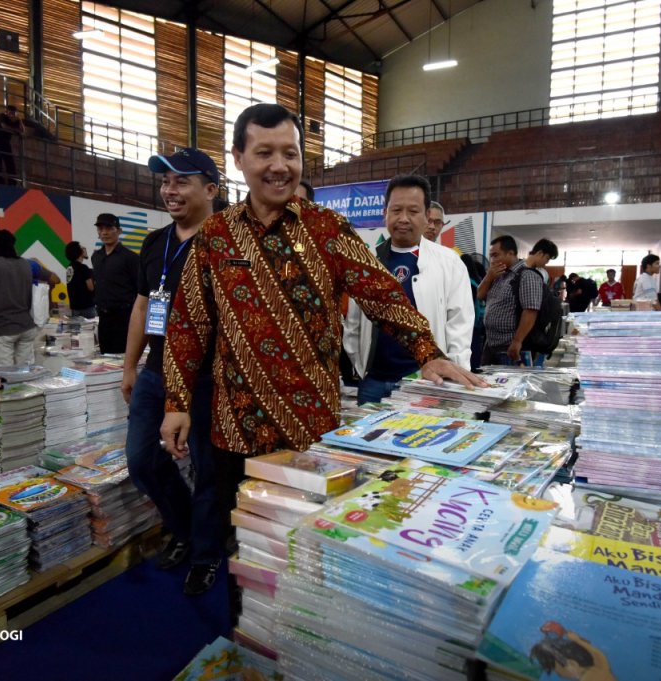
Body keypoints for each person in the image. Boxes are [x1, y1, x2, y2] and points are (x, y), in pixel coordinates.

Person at [160, 102, 484, 508]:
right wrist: (177, 402)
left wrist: (427, 350)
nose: (279, 165)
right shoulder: (215, 234)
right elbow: (188, 324)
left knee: (304, 544)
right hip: (237, 426)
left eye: (290, 154)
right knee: (244, 535)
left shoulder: (326, 227)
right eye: (265, 153)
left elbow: (381, 293)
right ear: (238, 159)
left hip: (310, 426)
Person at [122, 147, 222, 594]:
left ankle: (205, 553)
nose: (169, 190)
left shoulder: (228, 245)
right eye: (164, 182)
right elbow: (144, 304)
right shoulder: (154, 241)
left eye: (181, 181)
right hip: (157, 373)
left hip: (207, 380)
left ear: (211, 189)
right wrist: (130, 365)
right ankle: (182, 530)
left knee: (209, 469)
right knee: (142, 460)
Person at [344, 175, 474, 405]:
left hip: (425, 384)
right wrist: (361, 367)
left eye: (413, 212)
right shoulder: (368, 261)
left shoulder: (449, 263)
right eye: (396, 210)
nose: (403, 218)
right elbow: (354, 323)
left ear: (426, 217)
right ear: (385, 213)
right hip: (373, 383)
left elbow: (459, 325)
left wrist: (454, 376)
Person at [0, 230, 59, 367]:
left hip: (2, 328)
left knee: (6, 373)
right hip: (26, 326)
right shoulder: (28, 264)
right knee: (26, 371)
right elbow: (55, 279)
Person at [479, 235, 559, 364]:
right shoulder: (498, 274)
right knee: (487, 382)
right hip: (492, 343)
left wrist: (517, 341)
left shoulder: (527, 275)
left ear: (510, 253)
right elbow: (479, 295)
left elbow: (531, 310)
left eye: (496, 255)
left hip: (510, 346)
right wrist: (489, 277)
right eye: (491, 256)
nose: (492, 260)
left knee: (509, 383)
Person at [91, 213, 139, 353]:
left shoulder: (130, 257)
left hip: (123, 316)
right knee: (104, 355)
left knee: (122, 356)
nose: (104, 232)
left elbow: (140, 288)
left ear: (119, 231)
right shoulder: (96, 257)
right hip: (103, 316)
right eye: (100, 229)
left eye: (109, 228)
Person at [461, 253, 487, 371]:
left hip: (467, 323)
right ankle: (475, 369)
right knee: (476, 349)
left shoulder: (466, 282)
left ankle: (470, 370)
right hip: (478, 322)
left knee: (468, 348)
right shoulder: (478, 281)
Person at [0, 105, 25, 186]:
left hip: (6, 143)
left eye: (14, 113)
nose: (12, 115)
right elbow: (4, 126)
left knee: (10, 163)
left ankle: (12, 182)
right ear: (6, 112)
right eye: (10, 113)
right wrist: (17, 132)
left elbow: (23, 131)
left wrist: (20, 120)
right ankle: (0, 181)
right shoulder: (2, 116)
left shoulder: (15, 121)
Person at [64, 241, 95, 319]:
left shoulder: (69, 268)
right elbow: (90, 287)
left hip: (74, 307)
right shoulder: (83, 268)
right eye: (81, 248)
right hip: (86, 307)